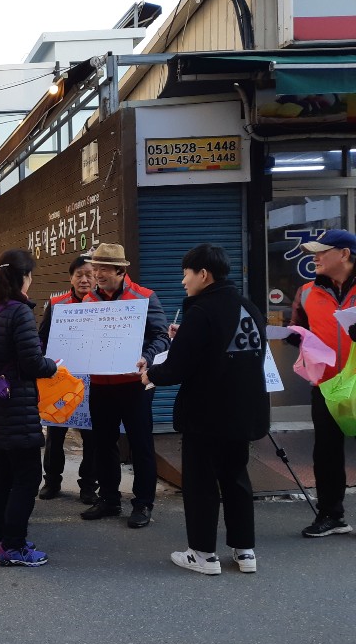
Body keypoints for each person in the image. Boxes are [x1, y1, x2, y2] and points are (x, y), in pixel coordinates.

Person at [143, 245, 268, 575]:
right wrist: (185, 338)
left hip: (206, 415)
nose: (183, 281)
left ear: (203, 274)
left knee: (201, 483)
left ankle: (202, 555)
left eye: (186, 273)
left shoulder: (202, 311)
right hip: (243, 412)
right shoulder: (249, 308)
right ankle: (245, 552)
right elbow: (229, 351)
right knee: (236, 478)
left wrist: (150, 373)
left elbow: (177, 368)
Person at [81, 243, 170, 529]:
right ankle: (109, 499)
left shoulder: (144, 297)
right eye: (94, 268)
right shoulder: (88, 300)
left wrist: (146, 357)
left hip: (134, 384)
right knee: (103, 443)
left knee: (140, 444)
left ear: (120, 270)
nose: (97, 274)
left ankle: (143, 503)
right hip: (100, 383)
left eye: (103, 269)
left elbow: (161, 337)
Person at [0, 249, 58, 567]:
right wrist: (51, 365)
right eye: (31, 275)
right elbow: (31, 362)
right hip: (17, 410)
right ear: (23, 277)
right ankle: (13, 546)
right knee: (26, 479)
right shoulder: (19, 312)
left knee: (2, 476)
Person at [288, 229, 356, 537]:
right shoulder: (306, 292)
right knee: (326, 452)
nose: (314, 257)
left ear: (344, 254)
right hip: (326, 384)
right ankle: (331, 515)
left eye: (322, 251)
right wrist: (294, 338)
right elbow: (297, 328)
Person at [37, 255, 98, 504]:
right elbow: (42, 338)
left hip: (94, 380)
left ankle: (88, 486)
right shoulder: (57, 304)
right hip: (62, 379)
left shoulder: (104, 303)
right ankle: (52, 481)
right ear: (70, 277)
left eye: (89, 274)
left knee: (91, 436)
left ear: (96, 277)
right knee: (56, 433)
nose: (84, 280)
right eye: (79, 275)